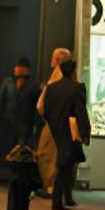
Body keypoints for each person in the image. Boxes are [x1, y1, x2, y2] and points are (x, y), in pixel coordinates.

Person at [41, 56, 89, 210]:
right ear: (73, 71)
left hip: (55, 128)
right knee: (65, 164)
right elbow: (81, 112)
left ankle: (65, 197)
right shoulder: (77, 88)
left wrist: (52, 122)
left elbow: (45, 109)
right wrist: (85, 131)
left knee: (65, 162)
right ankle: (58, 200)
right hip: (71, 129)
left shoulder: (51, 88)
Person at [33, 47, 68, 200]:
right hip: (63, 120)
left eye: (53, 57)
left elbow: (44, 101)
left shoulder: (57, 76)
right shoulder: (70, 76)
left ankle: (50, 186)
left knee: (46, 153)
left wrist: (43, 112)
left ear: (58, 60)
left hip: (53, 121)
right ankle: (54, 187)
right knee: (54, 154)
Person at [0, 56, 37, 148]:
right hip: (8, 120)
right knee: (7, 145)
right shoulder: (8, 82)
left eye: (20, 67)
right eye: (16, 67)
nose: (17, 69)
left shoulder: (32, 84)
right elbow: (1, 101)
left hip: (24, 122)